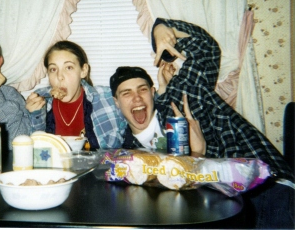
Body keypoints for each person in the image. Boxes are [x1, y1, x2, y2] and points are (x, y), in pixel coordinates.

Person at [110, 17, 294, 228]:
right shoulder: (128, 152)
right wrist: (197, 155)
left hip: (265, 186)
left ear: (153, 93)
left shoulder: (181, 96)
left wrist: (161, 28)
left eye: (142, 89)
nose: (137, 98)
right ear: (116, 102)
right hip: (217, 204)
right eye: (126, 93)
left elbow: (206, 49)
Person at [26, 40, 126, 150]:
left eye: (68, 67)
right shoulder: (38, 101)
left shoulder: (108, 99)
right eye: (53, 69)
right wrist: (36, 114)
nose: (60, 76)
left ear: (83, 71)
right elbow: (34, 151)